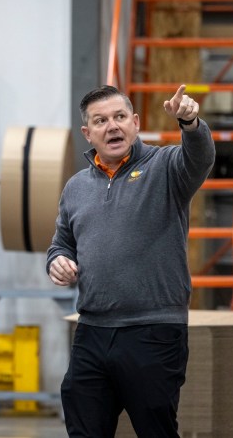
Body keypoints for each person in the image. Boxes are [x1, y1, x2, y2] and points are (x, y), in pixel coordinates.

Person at [46, 84, 215, 438]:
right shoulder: (76, 187)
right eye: (101, 120)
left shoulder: (166, 168)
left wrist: (190, 123)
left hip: (153, 331)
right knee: (83, 428)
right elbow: (62, 242)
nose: (112, 126)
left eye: (120, 117)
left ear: (135, 123)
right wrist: (58, 260)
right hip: (92, 330)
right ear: (87, 133)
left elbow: (200, 157)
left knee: (156, 430)